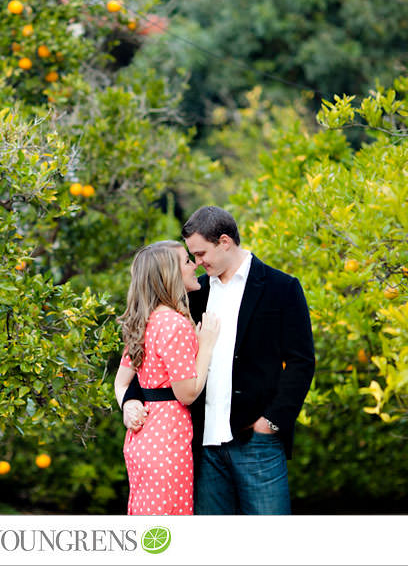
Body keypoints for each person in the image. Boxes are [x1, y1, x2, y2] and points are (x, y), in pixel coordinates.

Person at [121, 206, 315, 515]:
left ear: (225, 241)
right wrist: (130, 399)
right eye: (192, 257)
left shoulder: (282, 288)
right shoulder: (193, 294)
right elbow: (153, 358)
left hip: (257, 442)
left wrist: (271, 423)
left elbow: (301, 362)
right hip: (200, 445)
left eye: (200, 254)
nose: (197, 263)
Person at [114, 240, 220, 515]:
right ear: (169, 274)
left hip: (141, 439)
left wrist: (127, 405)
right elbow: (187, 393)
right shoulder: (174, 324)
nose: (194, 264)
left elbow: (121, 382)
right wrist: (206, 344)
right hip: (167, 439)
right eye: (187, 261)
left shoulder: (145, 319)